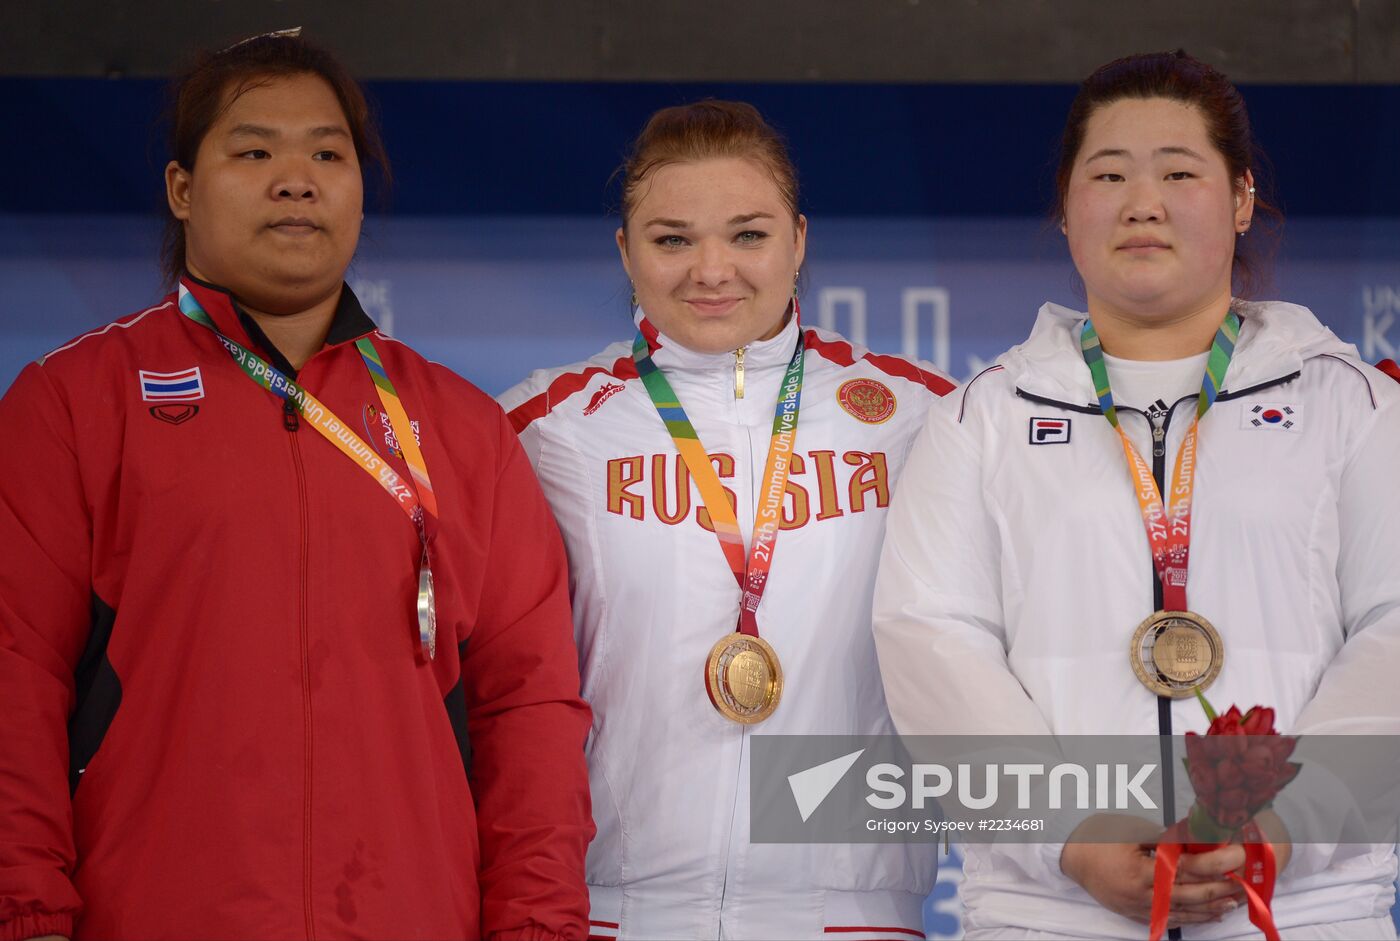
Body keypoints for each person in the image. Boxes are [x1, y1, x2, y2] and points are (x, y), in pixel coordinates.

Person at [0, 31, 592, 941]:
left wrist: (538, 926)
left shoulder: (463, 429)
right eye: (254, 150)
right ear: (181, 190)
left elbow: (529, 709)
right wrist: (26, 913)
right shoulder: (76, 402)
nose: (296, 177)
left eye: (327, 152)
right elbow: (14, 675)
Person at [874, 51, 1400, 940]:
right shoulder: (983, 418)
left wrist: (1283, 825)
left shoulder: (1353, 405)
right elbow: (934, 644)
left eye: (1179, 172)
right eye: (1108, 173)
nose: (1141, 201)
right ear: (1068, 208)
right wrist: (1069, 833)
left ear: (1241, 199)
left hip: (1304, 911)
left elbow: (1393, 630)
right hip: (1047, 912)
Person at [498, 100, 952, 940]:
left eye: (748, 235)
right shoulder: (543, 427)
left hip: (851, 916)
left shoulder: (920, 415)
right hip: (616, 911)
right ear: (625, 251)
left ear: (799, 240)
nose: (712, 269)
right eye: (672, 239)